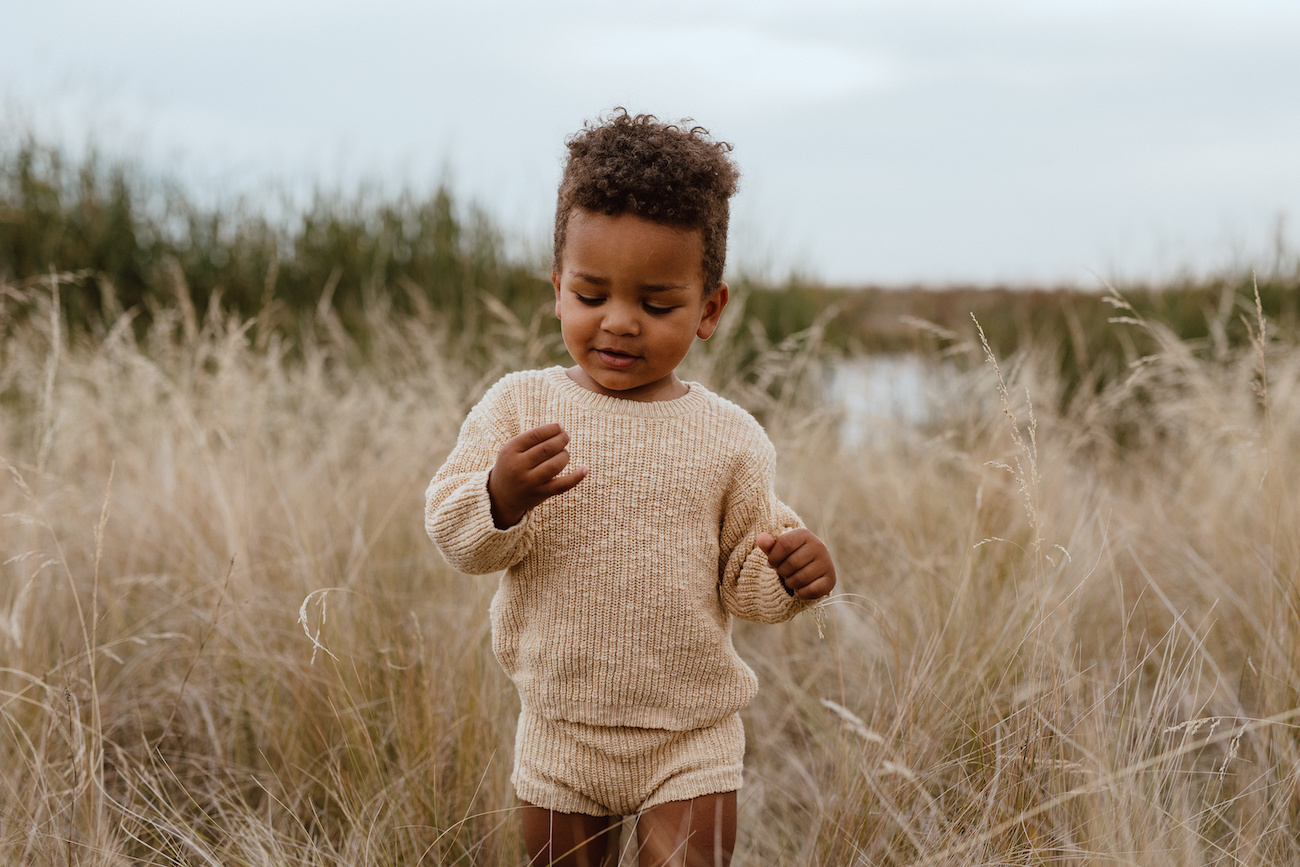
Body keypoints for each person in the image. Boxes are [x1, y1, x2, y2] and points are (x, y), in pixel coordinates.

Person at [424, 109, 836, 867]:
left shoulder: (731, 436)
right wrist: (499, 496)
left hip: (692, 733)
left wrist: (791, 575)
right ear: (557, 288)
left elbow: (745, 575)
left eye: (655, 303)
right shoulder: (519, 405)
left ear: (709, 308)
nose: (618, 323)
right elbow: (453, 532)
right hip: (560, 727)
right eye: (590, 295)